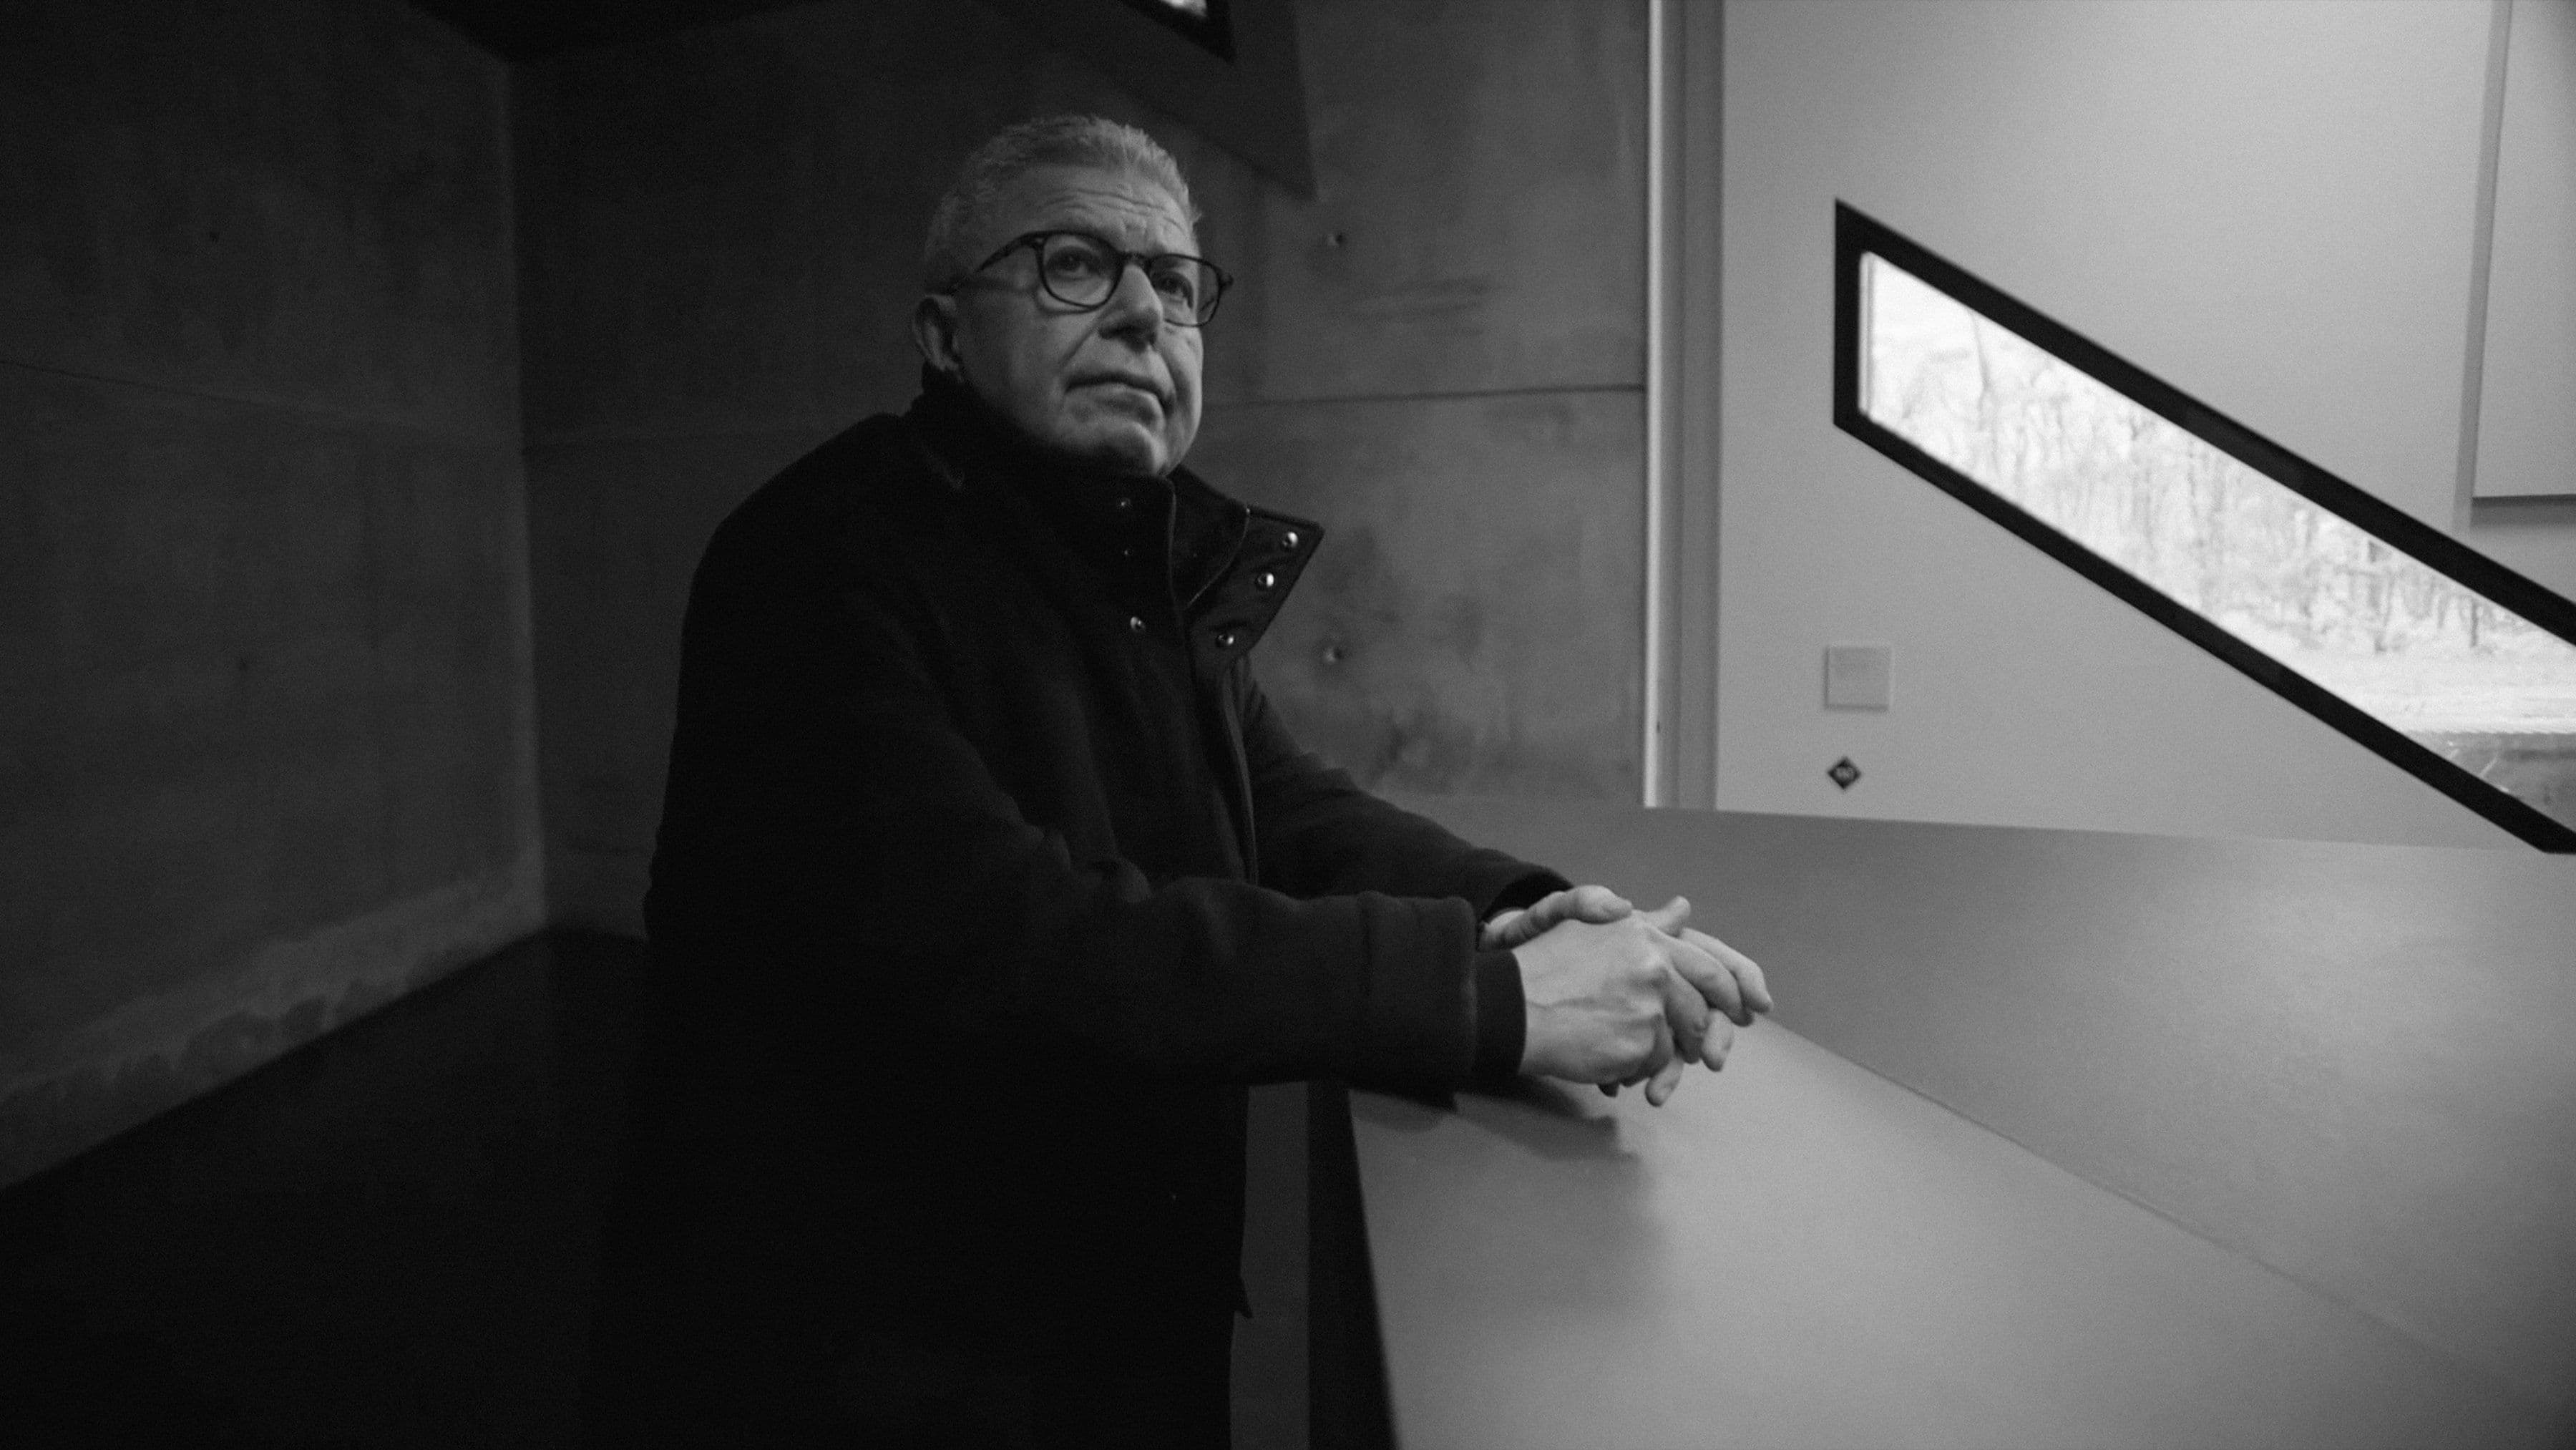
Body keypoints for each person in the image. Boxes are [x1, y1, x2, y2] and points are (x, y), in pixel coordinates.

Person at [583, 114, 1770, 1447]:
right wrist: (1481, 996)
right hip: (857, 1354)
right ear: (940, 334)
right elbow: (1000, 934)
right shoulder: (812, 558)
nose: (1148, 314)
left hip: (1105, 1319)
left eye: (1179, 284)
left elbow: (1294, 809)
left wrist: (1543, 910)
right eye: (1076, 263)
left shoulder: (1140, 577)